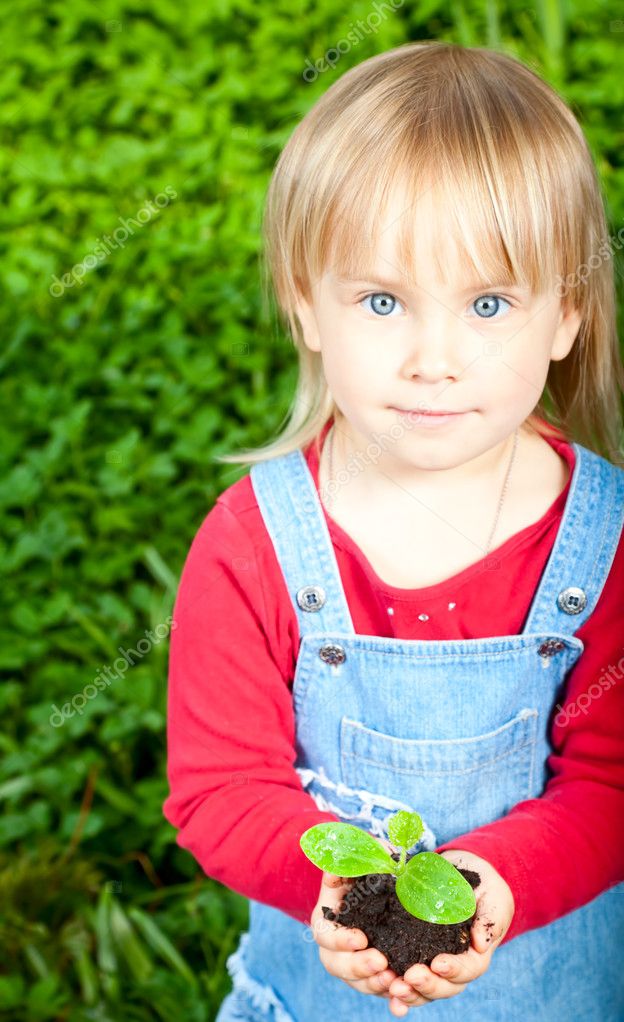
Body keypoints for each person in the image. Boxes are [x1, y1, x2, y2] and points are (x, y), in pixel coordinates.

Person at [162, 40, 624, 1021]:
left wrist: (489, 884)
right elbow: (220, 786)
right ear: (306, 304)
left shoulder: (606, 542)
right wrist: (331, 885)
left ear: (565, 316)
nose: (433, 359)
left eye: (489, 303)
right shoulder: (256, 545)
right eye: (382, 300)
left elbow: (611, 783)